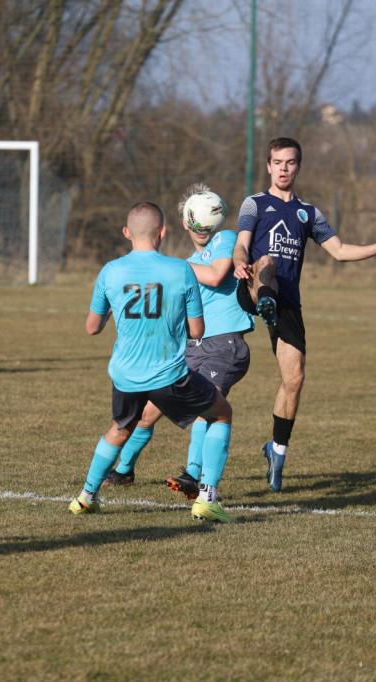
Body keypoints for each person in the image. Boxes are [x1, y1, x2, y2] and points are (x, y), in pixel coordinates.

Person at [233, 137, 376, 492]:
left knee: (294, 379)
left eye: (290, 162)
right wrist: (238, 263)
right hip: (252, 284)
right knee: (268, 261)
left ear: (298, 166)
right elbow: (243, 243)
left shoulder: (308, 213)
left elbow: (338, 251)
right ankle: (265, 300)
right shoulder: (255, 203)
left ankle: (276, 451)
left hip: (288, 304)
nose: (283, 168)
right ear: (268, 166)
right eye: (277, 162)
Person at [69, 201, 237, 523]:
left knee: (121, 428)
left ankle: (86, 497)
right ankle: (207, 498)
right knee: (220, 413)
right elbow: (197, 330)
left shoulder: (110, 271)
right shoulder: (181, 269)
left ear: (126, 233)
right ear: (162, 232)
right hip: (168, 374)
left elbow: (92, 327)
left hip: (125, 374)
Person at [100, 185, 253, 501]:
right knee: (146, 414)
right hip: (190, 348)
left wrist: (169, 267)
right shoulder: (185, 263)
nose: (201, 230)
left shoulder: (224, 240)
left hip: (223, 345)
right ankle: (125, 471)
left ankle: (193, 475)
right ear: (185, 223)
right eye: (194, 223)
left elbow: (215, 275)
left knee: (206, 409)